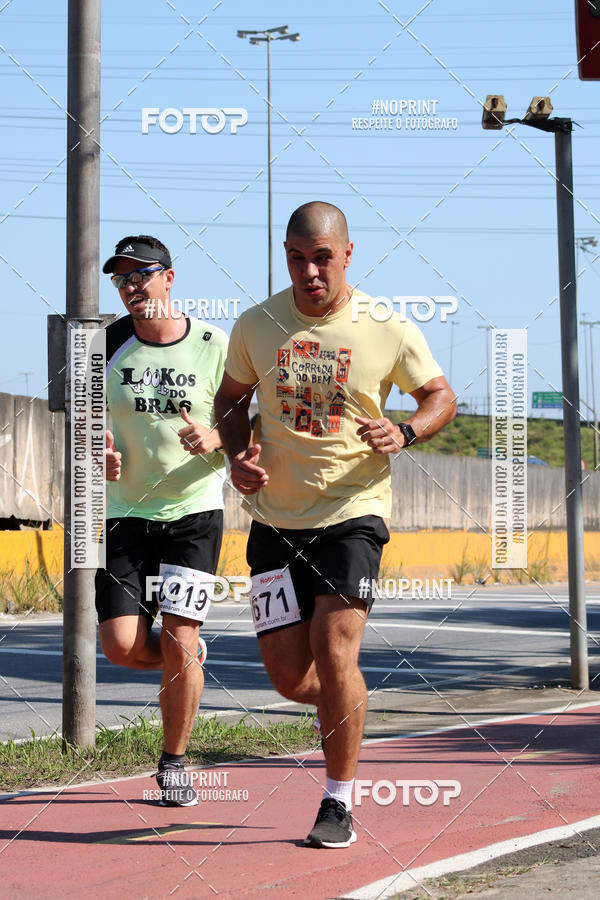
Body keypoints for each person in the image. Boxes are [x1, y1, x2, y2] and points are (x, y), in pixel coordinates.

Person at [214, 202, 456, 847]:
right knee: (294, 680)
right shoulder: (258, 324)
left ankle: (338, 800)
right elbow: (230, 400)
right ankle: (346, 702)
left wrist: (404, 430)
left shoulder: (387, 326)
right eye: (296, 257)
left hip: (354, 510)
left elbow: (440, 396)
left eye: (322, 257)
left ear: (348, 254)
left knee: (334, 649)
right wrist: (238, 455)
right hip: (272, 520)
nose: (309, 270)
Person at [97, 235, 227, 806]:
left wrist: (217, 435)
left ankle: (173, 762)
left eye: (140, 276)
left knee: (177, 636)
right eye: (121, 280)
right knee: (122, 647)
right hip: (126, 511)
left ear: (168, 278)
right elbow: (83, 422)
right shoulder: (105, 346)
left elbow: (253, 422)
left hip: (193, 512)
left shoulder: (213, 344)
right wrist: (95, 446)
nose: (130, 288)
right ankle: (186, 659)